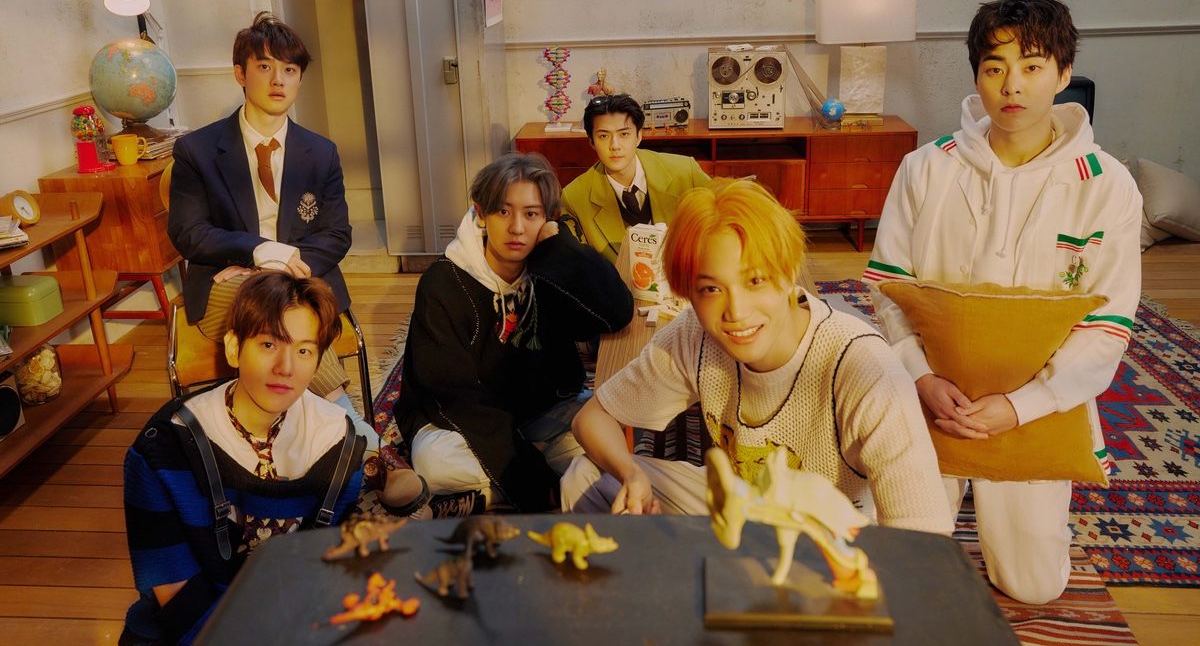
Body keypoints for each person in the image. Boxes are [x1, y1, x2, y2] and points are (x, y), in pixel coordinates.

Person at [864, 0, 1141, 604]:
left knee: (1033, 587)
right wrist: (920, 376)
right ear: (977, 77)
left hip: (1035, 408)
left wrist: (1021, 405)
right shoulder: (925, 168)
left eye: (1032, 66)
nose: (1012, 85)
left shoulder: (1106, 185)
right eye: (995, 67)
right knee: (899, 570)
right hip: (930, 396)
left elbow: (1108, 323)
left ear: (1064, 74)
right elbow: (887, 286)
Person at [563, 179, 952, 538]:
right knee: (588, 476)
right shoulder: (694, 336)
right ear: (687, 293)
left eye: (755, 281)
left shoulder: (865, 367)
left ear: (788, 271)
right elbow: (591, 418)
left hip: (827, 536)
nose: (736, 312)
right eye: (711, 289)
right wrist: (631, 473)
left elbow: (924, 537)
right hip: (740, 508)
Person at [167, 12, 426, 515]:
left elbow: (337, 234)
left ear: (300, 78)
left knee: (284, 305)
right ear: (240, 73)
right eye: (264, 67)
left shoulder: (319, 152)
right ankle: (374, 455)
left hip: (301, 283)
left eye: (289, 70)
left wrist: (283, 269)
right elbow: (189, 233)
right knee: (287, 311)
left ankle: (313, 453)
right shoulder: (198, 150)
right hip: (225, 288)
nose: (278, 80)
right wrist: (258, 251)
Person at [121, 272, 366, 645]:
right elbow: (179, 603)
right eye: (269, 344)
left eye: (304, 350)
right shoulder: (164, 450)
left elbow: (328, 568)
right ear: (234, 347)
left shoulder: (338, 443)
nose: (286, 367)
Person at [397, 152, 634, 516]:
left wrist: (561, 244)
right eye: (503, 212)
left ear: (548, 218)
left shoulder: (549, 264)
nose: (517, 228)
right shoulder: (443, 282)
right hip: (463, 422)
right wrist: (538, 486)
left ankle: (489, 494)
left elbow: (616, 313)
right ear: (480, 213)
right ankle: (540, 478)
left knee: (610, 430)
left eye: (532, 214)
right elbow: (456, 399)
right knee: (435, 465)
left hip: (541, 411)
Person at [561, 94, 710, 263]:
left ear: (639, 136)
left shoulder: (686, 172)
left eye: (624, 134)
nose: (615, 145)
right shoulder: (574, 197)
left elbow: (724, 221)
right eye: (603, 136)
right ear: (591, 142)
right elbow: (576, 265)